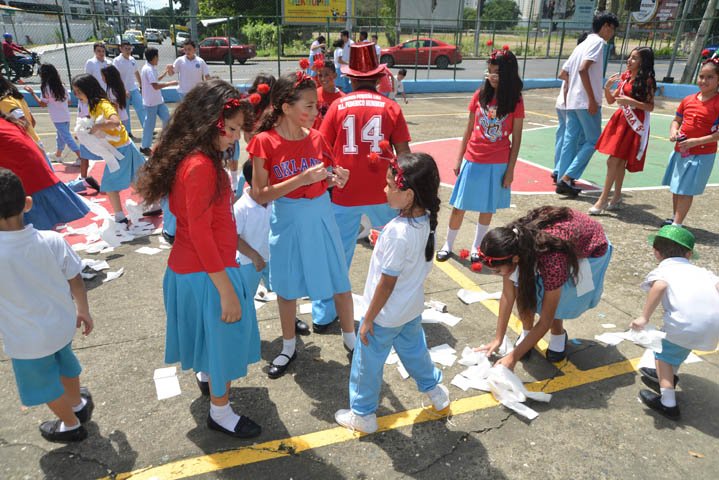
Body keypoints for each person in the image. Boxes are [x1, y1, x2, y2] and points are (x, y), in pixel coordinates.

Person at [135, 78, 262, 438]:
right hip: (207, 273)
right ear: (209, 122)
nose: (235, 138)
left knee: (210, 339)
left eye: (238, 130)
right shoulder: (201, 167)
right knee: (223, 344)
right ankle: (220, 412)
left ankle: (207, 378)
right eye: (231, 129)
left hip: (195, 270)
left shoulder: (194, 158)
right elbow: (201, 234)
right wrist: (226, 290)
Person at [247, 68, 355, 379]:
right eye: (309, 105)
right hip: (288, 220)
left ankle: (351, 340)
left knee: (339, 280)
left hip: (321, 216)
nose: (316, 111)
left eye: (316, 105)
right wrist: (301, 179)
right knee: (287, 286)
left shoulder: (318, 138)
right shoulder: (264, 142)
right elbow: (259, 194)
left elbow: (327, 178)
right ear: (286, 106)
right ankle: (288, 346)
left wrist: (338, 178)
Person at [334, 152, 449, 434]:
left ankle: (362, 414)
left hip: (384, 316)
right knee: (415, 352)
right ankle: (435, 392)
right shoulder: (426, 220)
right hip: (410, 309)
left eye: (389, 185)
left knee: (366, 364)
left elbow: (386, 283)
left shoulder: (398, 232)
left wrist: (368, 319)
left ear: (408, 195)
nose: (384, 189)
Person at [312, 43, 411, 333]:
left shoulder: (338, 106)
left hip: (345, 192)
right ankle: (394, 308)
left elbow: (321, 149)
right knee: (394, 250)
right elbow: (405, 155)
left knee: (336, 255)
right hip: (384, 193)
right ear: (378, 76)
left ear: (350, 77)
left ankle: (324, 314)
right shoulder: (391, 107)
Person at [0, 168, 94, 443]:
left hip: (27, 340)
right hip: (62, 325)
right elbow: (75, 278)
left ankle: (71, 424)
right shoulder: (52, 240)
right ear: (28, 203)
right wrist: (83, 310)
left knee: (44, 385)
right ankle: (77, 403)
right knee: (66, 366)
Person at [476, 206, 612, 368]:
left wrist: (513, 357)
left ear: (515, 259)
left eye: (497, 271)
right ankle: (527, 333)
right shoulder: (511, 243)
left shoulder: (552, 260)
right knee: (524, 287)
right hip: (558, 242)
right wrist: (498, 339)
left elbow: (546, 319)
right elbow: (508, 294)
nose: (495, 275)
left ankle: (558, 334)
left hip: (590, 247)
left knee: (558, 299)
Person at [436, 46, 524, 265]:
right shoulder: (479, 95)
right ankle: (448, 244)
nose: (492, 76)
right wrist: (459, 158)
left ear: (508, 74)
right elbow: (468, 130)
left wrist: (510, 170)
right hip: (473, 159)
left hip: (498, 163)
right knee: (459, 206)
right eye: (490, 71)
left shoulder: (515, 101)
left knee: (486, 208)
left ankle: (477, 247)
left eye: (497, 72)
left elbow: (517, 139)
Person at [632, 225, 719, 420]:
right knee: (680, 345)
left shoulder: (663, 271)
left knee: (661, 356)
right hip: (712, 326)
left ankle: (668, 403)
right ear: (689, 254)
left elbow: (660, 286)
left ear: (656, 252)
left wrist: (644, 317)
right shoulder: (703, 272)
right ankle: (669, 375)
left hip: (684, 326)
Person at [555, 12, 619, 197]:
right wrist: (591, 99)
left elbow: (565, 72)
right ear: (605, 26)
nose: (612, 33)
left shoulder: (581, 44)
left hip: (573, 101)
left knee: (570, 139)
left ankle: (562, 179)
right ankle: (567, 178)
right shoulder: (598, 42)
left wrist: (571, 94)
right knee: (593, 140)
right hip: (585, 100)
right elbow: (584, 69)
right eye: (612, 29)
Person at [71, 74, 145, 226]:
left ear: (88, 90)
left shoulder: (103, 104)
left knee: (110, 184)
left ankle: (120, 217)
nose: (76, 95)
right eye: (75, 92)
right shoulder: (93, 105)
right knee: (134, 179)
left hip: (120, 150)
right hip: (123, 147)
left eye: (78, 91)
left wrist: (97, 126)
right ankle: (154, 203)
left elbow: (115, 122)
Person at [590, 47, 656, 215]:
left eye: (634, 58)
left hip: (634, 122)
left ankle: (603, 199)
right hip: (620, 120)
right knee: (617, 161)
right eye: (630, 57)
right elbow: (612, 100)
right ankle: (617, 197)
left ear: (642, 62)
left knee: (614, 161)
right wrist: (607, 88)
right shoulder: (626, 77)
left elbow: (650, 106)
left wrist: (632, 102)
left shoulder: (647, 80)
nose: (629, 60)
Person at [0, 112, 89, 230]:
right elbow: (40, 151)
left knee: (27, 231)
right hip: (42, 178)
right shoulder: (9, 123)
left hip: (27, 185)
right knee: (40, 231)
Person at [661, 58, 719, 228]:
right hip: (681, 151)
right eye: (701, 76)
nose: (704, 80)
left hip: (702, 154)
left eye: (710, 77)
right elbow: (676, 120)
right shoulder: (688, 100)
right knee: (676, 187)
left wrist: (696, 142)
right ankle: (675, 218)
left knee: (686, 190)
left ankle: (677, 225)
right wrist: (674, 131)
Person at [23, 64, 81, 164]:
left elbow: (42, 104)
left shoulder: (46, 88)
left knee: (67, 138)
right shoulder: (61, 86)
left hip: (57, 118)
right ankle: (58, 155)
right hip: (65, 115)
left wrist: (32, 93)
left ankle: (81, 157)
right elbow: (69, 102)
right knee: (61, 137)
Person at [552, 32, 588, 184]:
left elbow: (562, 74)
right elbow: (562, 75)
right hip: (571, 103)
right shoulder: (584, 58)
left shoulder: (575, 55)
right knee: (574, 139)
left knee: (564, 137)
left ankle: (557, 169)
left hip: (564, 102)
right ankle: (562, 171)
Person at [140, 47, 178, 155]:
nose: (158, 59)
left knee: (167, 119)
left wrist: (165, 73)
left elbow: (155, 80)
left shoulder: (151, 68)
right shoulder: (148, 69)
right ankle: (144, 146)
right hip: (151, 102)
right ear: (154, 57)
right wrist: (171, 83)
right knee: (150, 125)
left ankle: (165, 142)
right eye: (157, 57)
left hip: (158, 100)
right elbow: (155, 86)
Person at [112, 39, 146, 137]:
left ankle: (147, 129)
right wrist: (123, 90)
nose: (128, 50)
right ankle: (127, 132)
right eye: (126, 48)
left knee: (141, 108)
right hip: (122, 91)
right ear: (121, 49)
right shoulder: (117, 61)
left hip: (134, 89)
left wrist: (141, 85)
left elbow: (136, 72)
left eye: (129, 48)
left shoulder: (132, 60)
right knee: (125, 112)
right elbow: (116, 77)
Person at [313, 60, 344, 130]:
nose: (323, 78)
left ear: (335, 75)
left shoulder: (342, 99)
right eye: (320, 75)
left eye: (326, 75)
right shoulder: (314, 95)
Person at [101, 65, 130, 140]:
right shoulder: (118, 87)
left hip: (119, 119)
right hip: (123, 116)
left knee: (119, 140)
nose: (102, 78)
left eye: (103, 76)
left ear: (108, 77)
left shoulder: (111, 90)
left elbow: (115, 106)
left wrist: (114, 121)